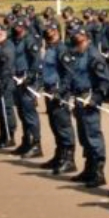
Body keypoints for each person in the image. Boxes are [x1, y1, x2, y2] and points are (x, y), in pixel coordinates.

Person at [63, 24, 109, 188]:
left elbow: (105, 79)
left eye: (77, 35)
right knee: (84, 136)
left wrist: (96, 98)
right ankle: (89, 169)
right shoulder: (78, 53)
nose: (74, 37)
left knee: (93, 135)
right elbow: (74, 75)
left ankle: (99, 173)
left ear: (84, 36)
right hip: (78, 98)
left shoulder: (93, 55)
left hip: (89, 98)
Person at [38, 21, 77, 174]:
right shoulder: (50, 48)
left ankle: (69, 160)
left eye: (49, 30)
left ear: (55, 31)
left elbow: (69, 74)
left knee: (63, 126)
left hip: (59, 93)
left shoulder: (62, 49)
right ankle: (59, 156)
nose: (46, 33)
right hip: (49, 91)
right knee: (55, 125)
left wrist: (61, 92)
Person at [11, 18, 43, 158]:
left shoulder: (29, 41)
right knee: (22, 112)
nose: (16, 28)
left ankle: (37, 145)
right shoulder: (15, 39)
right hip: (17, 79)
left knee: (30, 113)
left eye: (19, 26)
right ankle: (26, 141)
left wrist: (29, 78)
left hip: (27, 81)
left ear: (24, 27)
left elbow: (36, 61)